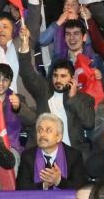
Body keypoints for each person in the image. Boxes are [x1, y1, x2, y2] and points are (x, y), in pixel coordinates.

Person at [18, 26, 94, 155]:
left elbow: (89, 123)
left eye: (63, 76)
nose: (58, 79)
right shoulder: (44, 90)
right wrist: (24, 43)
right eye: (55, 75)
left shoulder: (84, 99)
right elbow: (27, 73)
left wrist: (74, 98)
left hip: (71, 154)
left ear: (72, 78)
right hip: (43, 152)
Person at [16, 113, 87, 190]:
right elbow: (21, 188)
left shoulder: (73, 156)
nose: (42, 134)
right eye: (40, 130)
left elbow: (81, 187)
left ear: (59, 137)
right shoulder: (28, 156)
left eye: (48, 130)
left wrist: (59, 181)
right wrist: (44, 185)